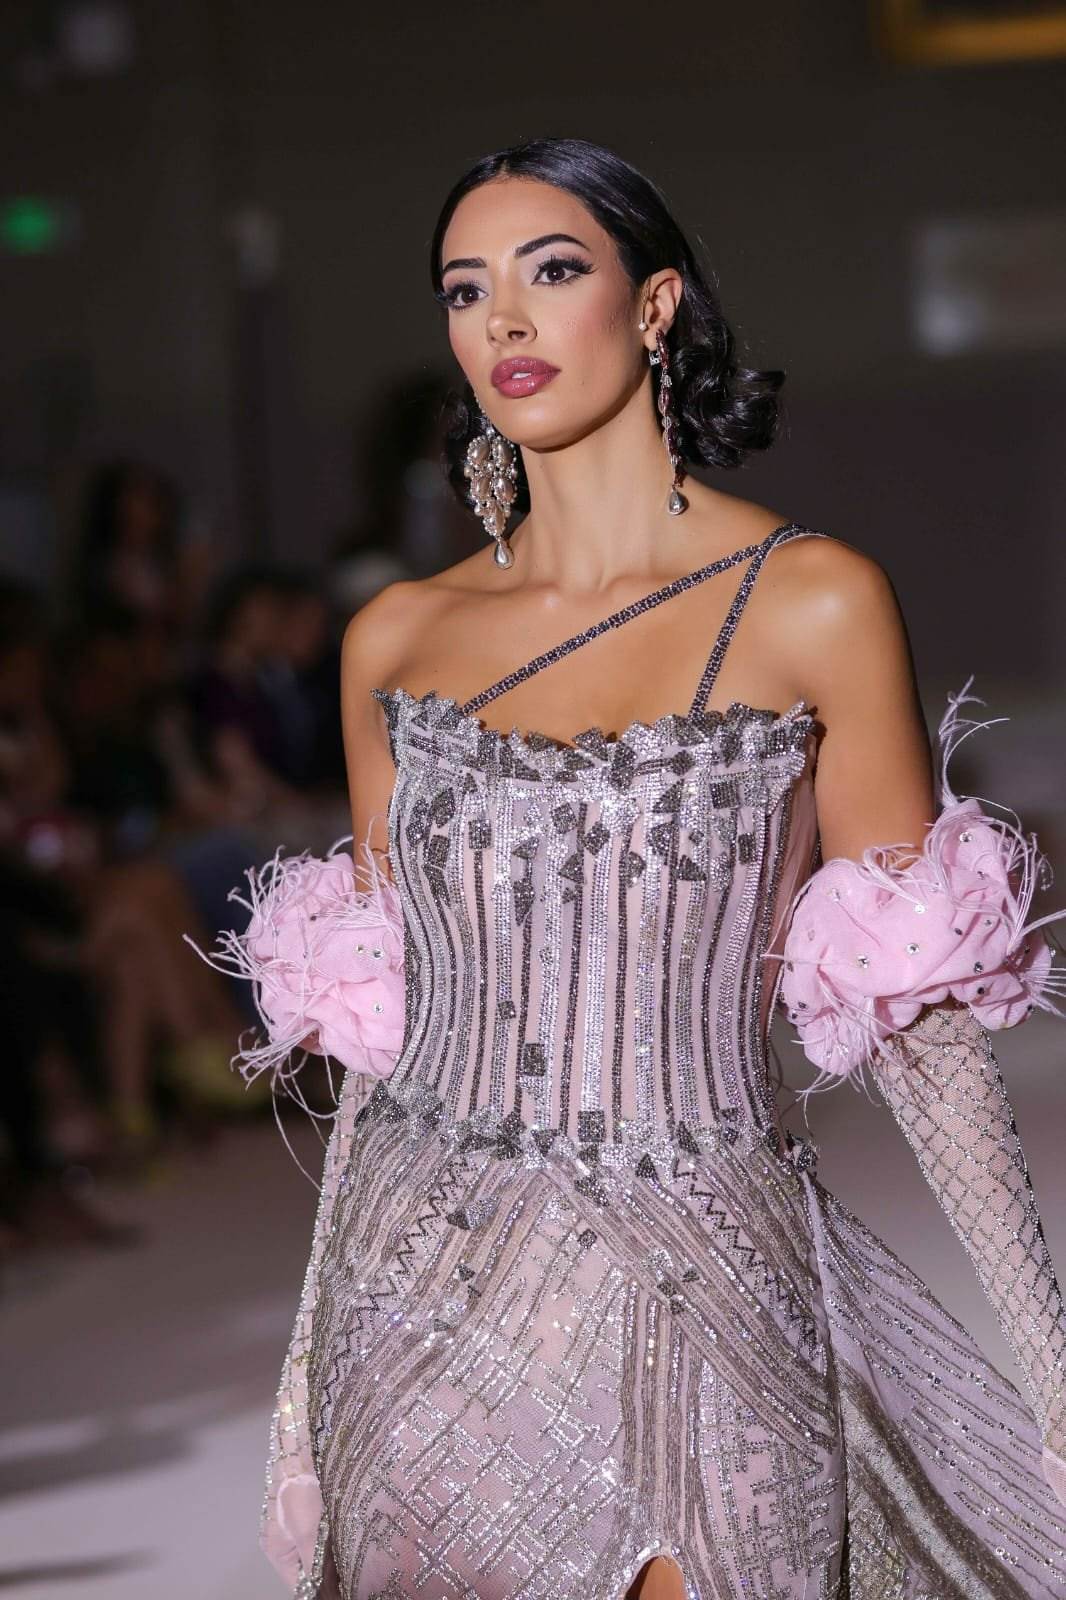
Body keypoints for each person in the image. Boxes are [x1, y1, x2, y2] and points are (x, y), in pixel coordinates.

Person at [195, 139, 1066, 1597]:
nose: (503, 319)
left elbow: (917, 1026)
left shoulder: (813, 602)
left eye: (551, 271)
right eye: (464, 289)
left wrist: (1050, 1368)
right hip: (423, 1300)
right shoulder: (396, 640)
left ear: (653, 304)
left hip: (712, 1283)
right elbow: (386, 1032)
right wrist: (299, 1388)